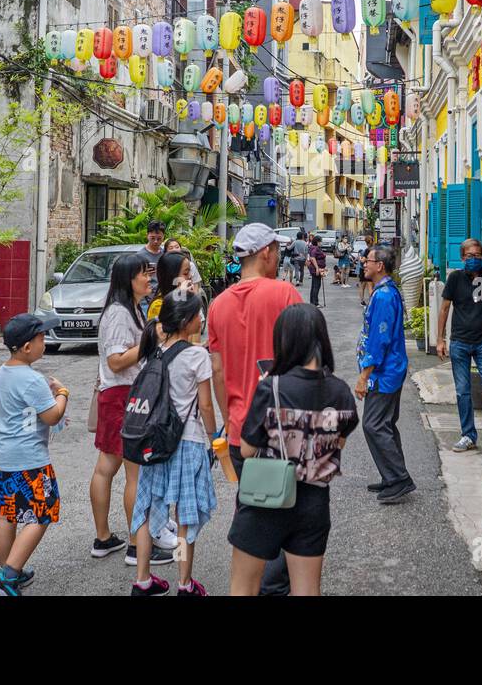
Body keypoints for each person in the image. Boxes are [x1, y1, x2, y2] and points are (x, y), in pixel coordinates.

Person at [229, 304, 358, 596]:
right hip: (314, 502)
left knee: (244, 588)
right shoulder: (340, 391)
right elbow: (340, 440)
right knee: (307, 591)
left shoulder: (272, 387)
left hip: (265, 499)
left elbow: (248, 449)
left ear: (284, 341)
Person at [207, 223, 302, 594]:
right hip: (282, 425)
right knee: (286, 508)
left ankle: (252, 580)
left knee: (252, 504)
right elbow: (306, 362)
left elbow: (216, 368)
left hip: (239, 428)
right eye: (276, 250)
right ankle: (271, 586)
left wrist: (229, 411)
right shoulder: (285, 294)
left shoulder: (218, 304)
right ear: (265, 252)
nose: (278, 256)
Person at [129, 289, 217, 596]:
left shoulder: (152, 352)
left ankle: (142, 580)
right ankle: (184, 583)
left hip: (153, 444)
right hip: (187, 443)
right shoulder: (197, 356)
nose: (202, 318)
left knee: (147, 508)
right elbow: (205, 406)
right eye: (198, 313)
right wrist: (214, 437)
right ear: (186, 320)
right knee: (185, 517)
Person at [89, 253, 175, 566]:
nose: (149, 280)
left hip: (119, 395)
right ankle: (138, 546)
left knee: (107, 467)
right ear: (128, 279)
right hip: (122, 396)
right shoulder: (118, 314)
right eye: (143, 274)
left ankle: (104, 538)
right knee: (133, 472)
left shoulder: (129, 310)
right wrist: (151, 340)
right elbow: (116, 360)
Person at [0, 314, 69, 596]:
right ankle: (7, 574)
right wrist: (62, 393)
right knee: (42, 513)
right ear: (27, 347)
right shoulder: (32, 380)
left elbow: (28, 415)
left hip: (2, 456)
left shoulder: (2, 373)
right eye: (42, 338)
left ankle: (7, 568)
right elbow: (52, 415)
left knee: (7, 514)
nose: (45, 342)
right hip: (29, 460)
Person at [356, 244, 414, 504]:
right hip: (390, 369)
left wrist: (364, 375)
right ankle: (391, 475)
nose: (364, 263)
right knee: (385, 424)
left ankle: (399, 478)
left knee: (374, 424)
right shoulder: (385, 291)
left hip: (384, 372)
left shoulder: (383, 296)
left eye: (368, 260)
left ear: (379, 265)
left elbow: (379, 340)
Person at [437, 238, 482, 453]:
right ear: (462, 257)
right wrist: (440, 339)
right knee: (462, 392)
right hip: (459, 343)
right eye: (469, 255)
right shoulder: (455, 278)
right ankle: (468, 435)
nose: (473, 259)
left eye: (477, 255)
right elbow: (445, 308)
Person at [306, 237, 327, 307]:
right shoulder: (315, 248)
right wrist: (317, 268)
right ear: (318, 242)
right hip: (316, 269)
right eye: (321, 241)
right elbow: (312, 258)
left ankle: (312, 301)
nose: (322, 242)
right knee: (316, 285)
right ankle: (315, 303)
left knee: (314, 285)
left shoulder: (314, 248)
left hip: (316, 268)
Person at [358, 236, 374, 305]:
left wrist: (360, 259)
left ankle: (362, 301)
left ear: (366, 242)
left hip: (366, 269)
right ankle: (371, 300)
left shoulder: (367, 250)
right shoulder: (375, 249)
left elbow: (363, 260)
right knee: (371, 286)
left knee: (363, 286)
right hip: (373, 268)